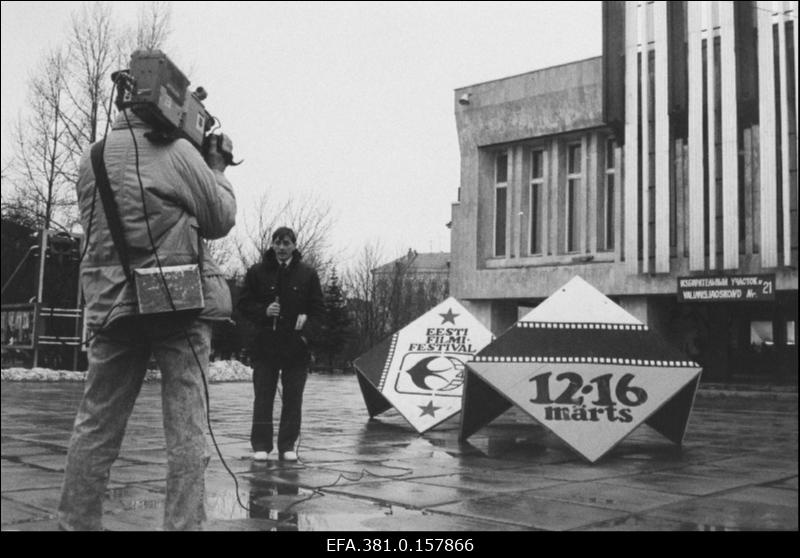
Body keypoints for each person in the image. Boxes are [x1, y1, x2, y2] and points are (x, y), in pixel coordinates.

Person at [57, 68, 236, 530]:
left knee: (95, 427)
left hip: (112, 303)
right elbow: (220, 218)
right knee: (186, 432)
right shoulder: (177, 153)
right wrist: (213, 166)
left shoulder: (91, 158)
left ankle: (75, 523)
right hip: (175, 304)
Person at [237, 227, 324, 462]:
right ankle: (261, 445)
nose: (282, 247)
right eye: (278, 243)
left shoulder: (308, 274)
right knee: (263, 397)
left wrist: (306, 335)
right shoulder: (257, 272)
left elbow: (318, 311)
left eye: (286, 243)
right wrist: (263, 311)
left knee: (293, 398)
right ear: (272, 245)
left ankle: (287, 445)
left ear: (294, 245)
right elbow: (243, 305)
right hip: (265, 347)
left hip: (296, 348)